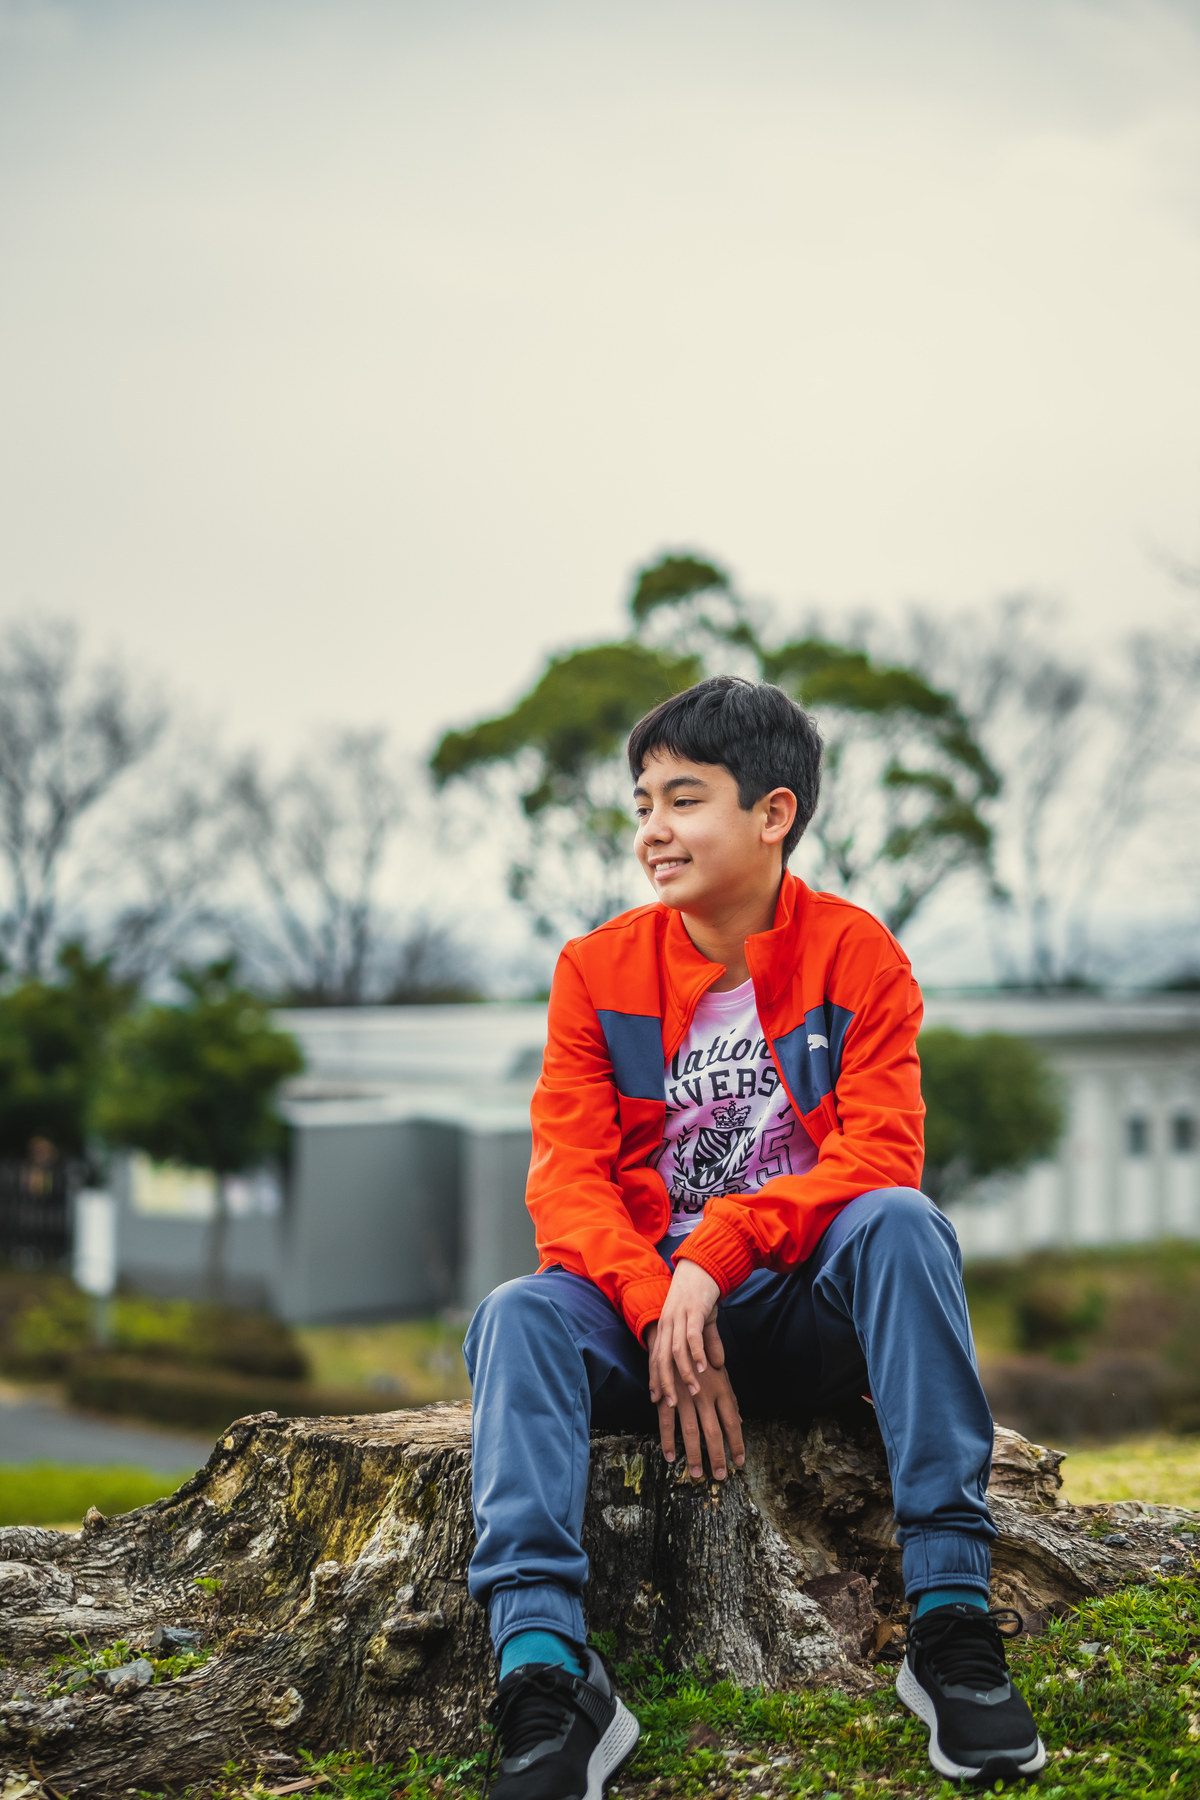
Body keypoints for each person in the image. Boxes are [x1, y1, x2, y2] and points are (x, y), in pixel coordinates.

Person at [465, 676, 1045, 1795]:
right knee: (518, 1315)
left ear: (773, 814)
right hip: (646, 1321)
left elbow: (880, 1155)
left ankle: (952, 1627)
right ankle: (544, 1673)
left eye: (684, 800)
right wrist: (655, 1299)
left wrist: (714, 1254)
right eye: (642, 805)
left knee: (902, 1225)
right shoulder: (597, 972)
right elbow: (569, 1187)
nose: (653, 832)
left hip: (798, 1310)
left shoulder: (856, 956)